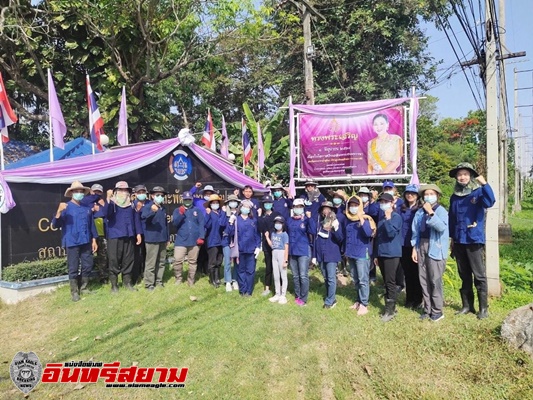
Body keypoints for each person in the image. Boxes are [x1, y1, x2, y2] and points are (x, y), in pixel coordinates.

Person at [449, 162, 495, 319]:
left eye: (465, 174)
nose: (462, 177)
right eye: (460, 174)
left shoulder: (478, 192)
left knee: (479, 275)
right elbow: (452, 219)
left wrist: (485, 184)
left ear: (471, 176)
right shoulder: (454, 197)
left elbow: (490, 202)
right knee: (464, 275)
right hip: (459, 241)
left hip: (473, 240)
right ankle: (467, 306)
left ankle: (483, 309)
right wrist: (452, 238)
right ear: (456, 177)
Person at [52, 181, 98, 302]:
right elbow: (55, 224)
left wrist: (94, 239)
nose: (79, 193)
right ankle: (74, 292)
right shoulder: (65, 207)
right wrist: (58, 212)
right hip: (72, 241)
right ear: (71, 193)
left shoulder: (86, 208)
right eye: (76, 191)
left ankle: (84, 287)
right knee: (73, 267)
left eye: (81, 191)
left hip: (86, 240)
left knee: (87, 265)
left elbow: (91, 225)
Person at [411, 184, 449, 322]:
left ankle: (437, 311)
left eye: (431, 194)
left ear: (437, 196)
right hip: (422, 246)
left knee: (435, 280)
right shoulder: (420, 212)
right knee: (424, 279)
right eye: (426, 194)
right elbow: (415, 231)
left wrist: (431, 213)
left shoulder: (441, 211)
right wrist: (414, 248)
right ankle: (427, 309)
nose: (428, 196)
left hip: (436, 247)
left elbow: (441, 228)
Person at [106, 181, 143, 293]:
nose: (123, 192)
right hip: (115, 235)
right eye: (121, 190)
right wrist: (108, 199)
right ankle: (114, 285)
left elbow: (136, 219)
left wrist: (138, 233)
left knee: (129, 259)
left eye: (125, 190)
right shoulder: (112, 203)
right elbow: (106, 214)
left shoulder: (131, 204)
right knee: (114, 260)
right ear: (116, 191)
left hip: (129, 234)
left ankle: (127, 283)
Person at [343, 196, 376, 316]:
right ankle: (358, 300)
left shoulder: (366, 219)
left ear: (360, 206)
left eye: (355, 205)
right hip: (351, 253)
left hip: (362, 253)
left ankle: (364, 304)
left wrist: (361, 218)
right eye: (351, 205)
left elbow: (368, 234)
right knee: (356, 279)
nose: (353, 208)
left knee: (363, 280)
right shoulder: (348, 220)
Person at [374, 192, 403, 322]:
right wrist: (376, 255)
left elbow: (391, 233)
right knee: (386, 281)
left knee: (390, 282)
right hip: (382, 253)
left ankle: (390, 311)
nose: (383, 204)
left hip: (392, 254)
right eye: (381, 202)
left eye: (386, 202)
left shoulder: (396, 217)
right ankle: (391, 307)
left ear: (392, 203)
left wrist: (387, 219)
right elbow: (378, 238)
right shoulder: (381, 219)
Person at [226, 200, 261, 296]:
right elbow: (230, 233)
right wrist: (231, 222)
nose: (245, 208)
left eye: (247, 207)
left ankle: (249, 291)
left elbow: (257, 234)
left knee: (250, 271)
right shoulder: (236, 219)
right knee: (241, 270)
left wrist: (258, 246)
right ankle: (242, 289)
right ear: (240, 207)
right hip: (239, 249)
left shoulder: (253, 220)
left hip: (251, 249)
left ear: (250, 209)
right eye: (244, 206)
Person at [314, 201, 344, 309]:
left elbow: (340, 238)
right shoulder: (319, 222)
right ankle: (330, 296)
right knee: (326, 277)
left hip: (332, 254)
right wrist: (314, 255)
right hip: (321, 254)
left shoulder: (336, 222)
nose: (326, 211)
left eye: (328, 209)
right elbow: (315, 240)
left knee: (331, 278)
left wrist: (335, 228)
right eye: (324, 209)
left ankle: (330, 300)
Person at [172, 191, 205, 286]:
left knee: (192, 261)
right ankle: (178, 278)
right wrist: (181, 214)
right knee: (177, 260)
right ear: (182, 199)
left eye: (189, 199)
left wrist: (201, 237)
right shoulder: (177, 210)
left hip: (194, 241)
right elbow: (175, 224)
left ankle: (191, 280)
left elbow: (201, 224)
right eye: (186, 199)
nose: (187, 201)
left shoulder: (197, 210)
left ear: (192, 200)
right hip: (181, 241)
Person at [286, 198, 316, 306]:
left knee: (303, 275)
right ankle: (297, 295)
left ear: (303, 208)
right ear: (293, 208)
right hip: (292, 251)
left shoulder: (306, 220)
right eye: (296, 207)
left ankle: (304, 298)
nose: (298, 209)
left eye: (300, 207)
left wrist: (309, 217)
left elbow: (313, 231)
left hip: (303, 250)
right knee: (295, 275)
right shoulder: (289, 220)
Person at [399, 184, 423, 309]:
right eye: (408, 193)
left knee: (416, 273)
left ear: (417, 195)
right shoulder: (401, 208)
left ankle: (418, 299)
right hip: (403, 245)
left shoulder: (420, 209)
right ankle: (409, 299)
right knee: (407, 273)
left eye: (413, 193)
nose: (410, 195)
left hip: (416, 245)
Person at [141, 186, 169, 291]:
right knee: (151, 262)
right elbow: (144, 220)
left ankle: (159, 281)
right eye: (157, 195)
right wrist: (152, 212)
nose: (160, 197)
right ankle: (149, 283)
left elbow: (166, 224)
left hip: (162, 238)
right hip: (152, 238)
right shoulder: (148, 206)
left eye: (162, 195)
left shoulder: (163, 208)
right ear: (152, 196)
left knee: (161, 261)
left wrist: (167, 237)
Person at [80, 183, 108, 283]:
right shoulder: (85, 201)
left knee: (104, 255)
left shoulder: (103, 201)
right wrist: (93, 209)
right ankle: (92, 279)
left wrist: (103, 205)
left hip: (104, 231)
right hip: (91, 232)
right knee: (92, 256)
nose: (97, 193)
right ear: (91, 191)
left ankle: (105, 276)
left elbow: (106, 213)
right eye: (95, 191)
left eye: (99, 192)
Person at [258, 194, 281, 297]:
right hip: (266, 245)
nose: (267, 205)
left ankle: (279, 287)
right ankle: (267, 287)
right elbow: (259, 228)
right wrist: (259, 216)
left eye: (269, 203)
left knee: (279, 267)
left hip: (277, 244)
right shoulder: (262, 216)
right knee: (268, 267)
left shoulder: (277, 214)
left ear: (272, 204)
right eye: (265, 203)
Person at [264, 216, 289, 304]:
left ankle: (283, 295)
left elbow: (286, 248)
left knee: (283, 275)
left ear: (282, 224)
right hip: (274, 253)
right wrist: (267, 237)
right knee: (276, 275)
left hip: (281, 253)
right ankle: (277, 293)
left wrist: (285, 260)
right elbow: (272, 245)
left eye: (279, 223)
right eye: (276, 223)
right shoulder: (273, 234)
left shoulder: (284, 234)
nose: (277, 225)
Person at [204, 194, 226, 288]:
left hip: (221, 240)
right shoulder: (209, 213)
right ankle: (212, 279)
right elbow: (207, 225)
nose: (215, 204)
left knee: (219, 260)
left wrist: (224, 212)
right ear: (210, 204)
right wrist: (208, 215)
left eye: (217, 203)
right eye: (213, 203)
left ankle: (217, 278)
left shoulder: (221, 213)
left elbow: (223, 224)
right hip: (212, 241)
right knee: (212, 261)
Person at [221, 195, 240, 291]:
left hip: (236, 241)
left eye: (234, 201)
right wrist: (226, 215)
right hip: (226, 241)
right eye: (231, 201)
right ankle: (228, 281)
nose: (233, 203)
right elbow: (221, 224)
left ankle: (235, 280)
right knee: (227, 261)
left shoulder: (239, 213)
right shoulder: (224, 213)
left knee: (237, 261)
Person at [132, 184, 148, 284]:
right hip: (137, 234)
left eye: (143, 192)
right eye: (139, 192)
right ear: (135, 194)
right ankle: (136, 276)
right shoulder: (132, 204)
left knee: (147, 255)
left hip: (148, 233)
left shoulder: (150, 203)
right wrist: (137, 210)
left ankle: (146, 274)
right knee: (137, 255)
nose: (141, 194)